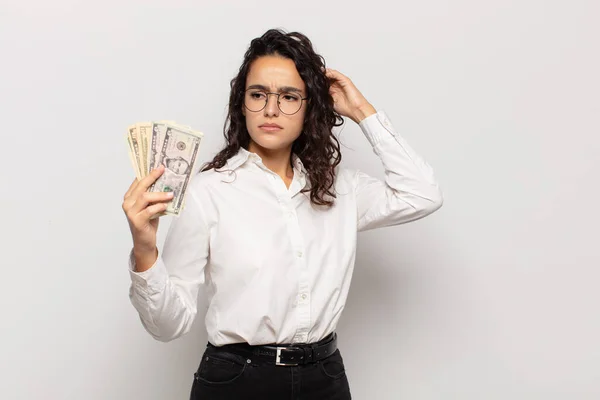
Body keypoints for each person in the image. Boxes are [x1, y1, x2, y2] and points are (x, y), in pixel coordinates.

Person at [122, 28, 443, 400]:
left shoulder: (339, 189)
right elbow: (168, 326)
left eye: (289, 96)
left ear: (310, 107)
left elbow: (422, 194)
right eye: (258, 94)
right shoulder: (209, 192)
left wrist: (361, 112)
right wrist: (145, 250)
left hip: (325, 378)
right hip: (236, 382)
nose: (271, 109)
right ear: (242, 103)